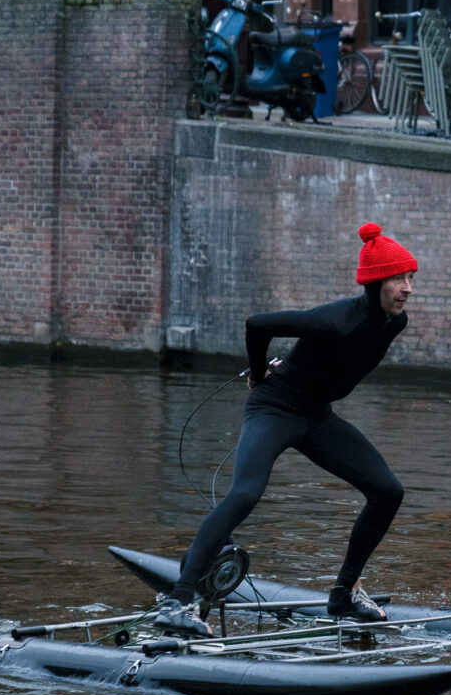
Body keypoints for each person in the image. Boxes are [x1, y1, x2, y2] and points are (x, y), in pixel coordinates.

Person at [154, 222, 418, 638]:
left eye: (410, 279)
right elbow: (258, 324)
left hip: (316, 416)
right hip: (275, 408)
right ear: (374, 281)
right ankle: (178, 602)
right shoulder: (335, 320)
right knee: (244, 494)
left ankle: (344, 594)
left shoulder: (393, 324)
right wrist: (259, 374)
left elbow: (334, 366)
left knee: (388, 490)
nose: (407, 288)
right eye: (398, 279)